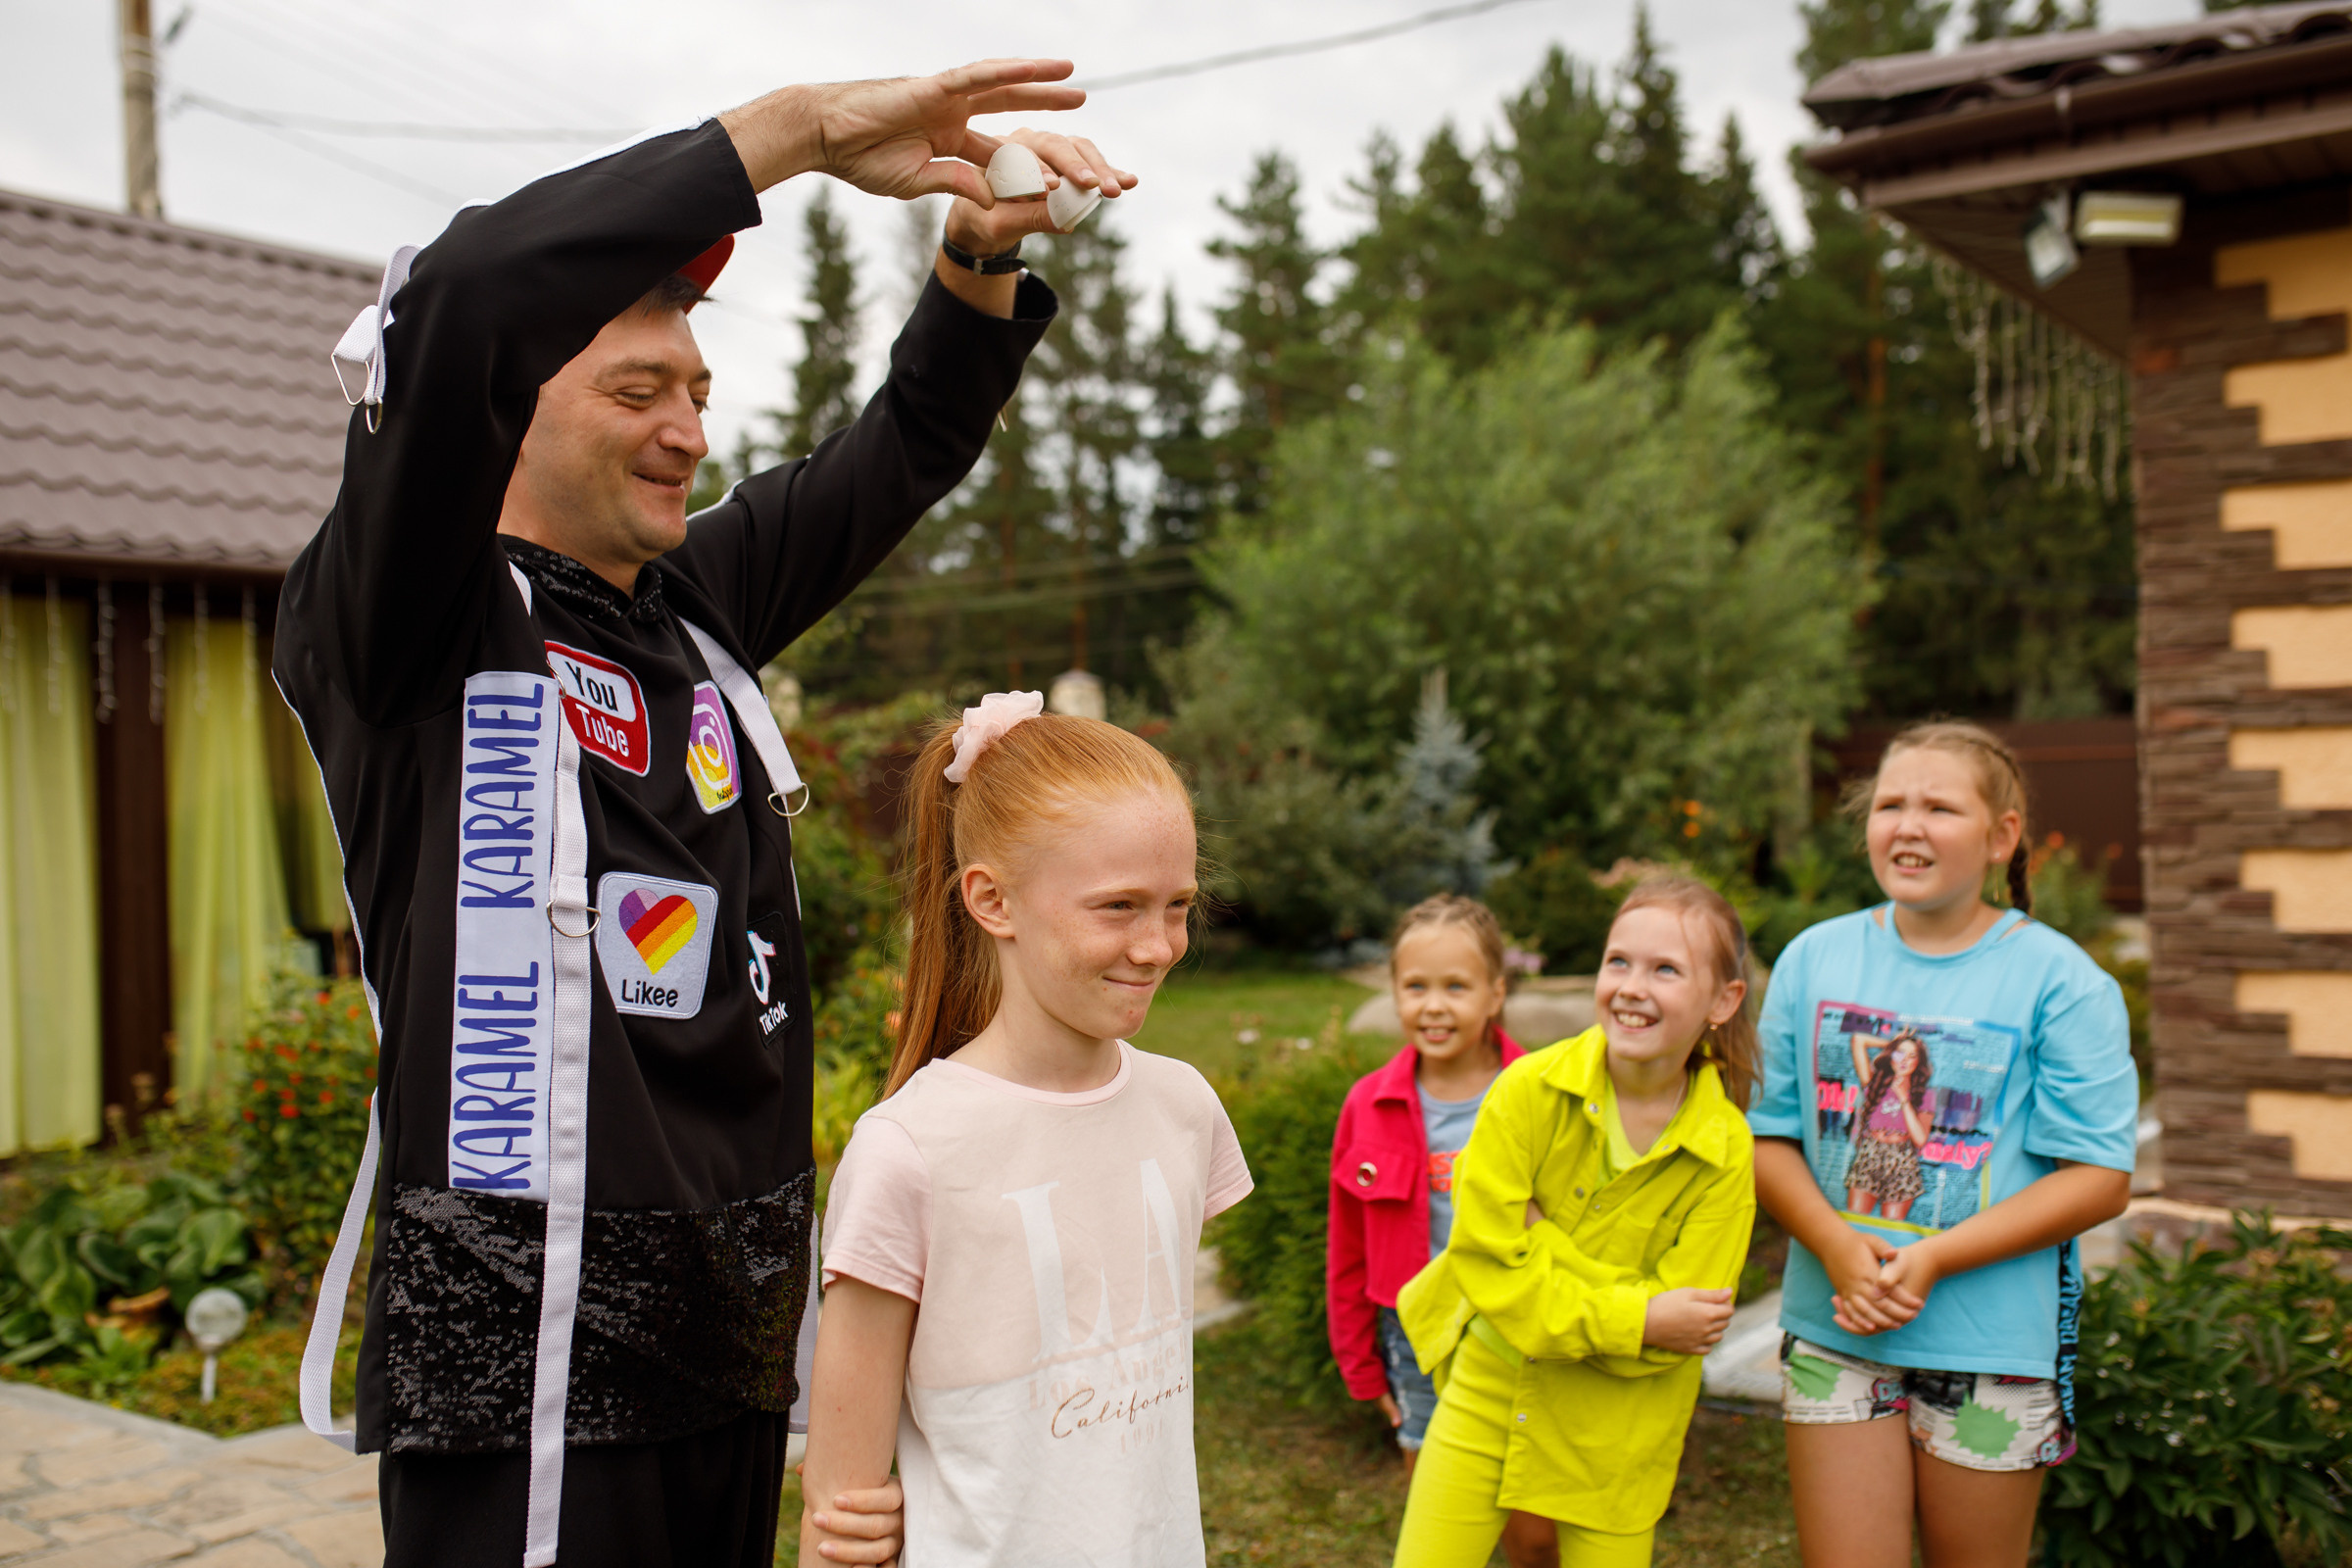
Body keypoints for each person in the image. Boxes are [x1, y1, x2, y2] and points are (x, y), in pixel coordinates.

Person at [274, 60, 1137, 1568]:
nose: (687, 430)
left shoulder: (691, 611)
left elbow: (910, 447)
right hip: (523, 1361)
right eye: (634, 390)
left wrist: (982, 249)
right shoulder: (408, 621)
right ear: (492, 415)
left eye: (696, 394)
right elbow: (469, 286)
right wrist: (798, 135)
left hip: (731, 1337)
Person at [803, 695, 1253, 1567]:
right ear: (992, 900)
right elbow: (842, 1510)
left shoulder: (1185, 1107)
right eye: (1118, 906)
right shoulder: (909, 1152)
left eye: (1177, 905)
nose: (1160, 946)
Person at [1748, 721, 2136, 1568]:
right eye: (1891, 804)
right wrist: (1834, 1244)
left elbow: (2101, 1179)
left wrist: (1932, 1260)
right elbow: (1766, 1138)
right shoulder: (1814, 958)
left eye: (1940, 807)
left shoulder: (2062, 982)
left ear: (2003, 836)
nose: (1908, 825)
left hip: (1993, 1349)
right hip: (1834, 1332)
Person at [1393, 875, 1758, 1568]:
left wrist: (1543, 1241)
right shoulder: (1526, 1091)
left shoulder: (1725, 1150)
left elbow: (1682, 1333)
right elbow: (1490, 1271)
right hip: (1489, 1393)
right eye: (1618, 961)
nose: (1631, 986)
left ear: (1722, 1000)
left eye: (1665, 970)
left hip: (1620, 1431)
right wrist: (1641, 1315)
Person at [1327, 895, 1558, 1567]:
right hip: (1416, 1335)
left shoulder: (1539, 1092)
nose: (1434, 1005)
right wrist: (1362, 1368)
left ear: (1496, 993)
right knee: (1439, 1524)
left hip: (1518, 1330)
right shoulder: (1368, 1105)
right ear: (1395, 992)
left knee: (1534, 1536)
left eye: (1456, 987)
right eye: (1416, 986)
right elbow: (1347, 1247)